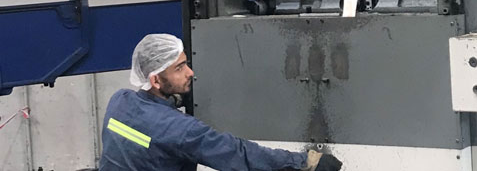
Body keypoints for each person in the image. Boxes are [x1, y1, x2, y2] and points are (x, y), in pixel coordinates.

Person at [99, 33, 343, 171]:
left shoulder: (119, 102)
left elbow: (149, 136)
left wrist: (172, 99)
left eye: (186, 64)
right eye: (179, 68)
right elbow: (237, 153)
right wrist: (305, 162)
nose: (190, 73)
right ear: (155, 80)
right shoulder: (180, 130)